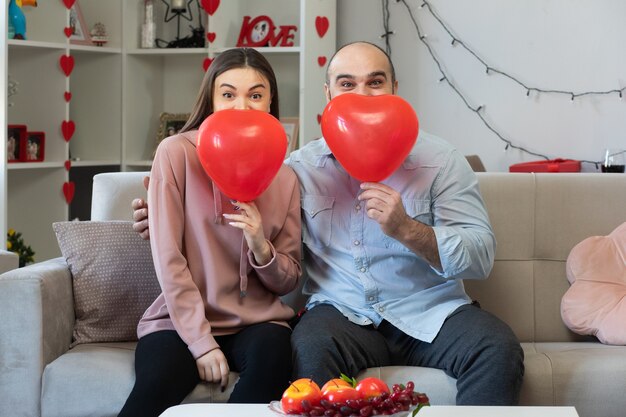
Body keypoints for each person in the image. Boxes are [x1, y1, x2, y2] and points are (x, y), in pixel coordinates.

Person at [132, 41, 524, 405]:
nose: (363, 95)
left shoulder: (441, 160)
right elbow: (241, 212)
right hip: (341, 312)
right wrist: (163, 213)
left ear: (394, 89)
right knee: (307, 349)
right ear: (329, 94)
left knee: (498, 348)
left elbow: (481, 256)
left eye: (375, 82)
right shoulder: (297, 168)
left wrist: (408, 229)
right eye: (347, 84)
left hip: (430, 311)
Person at [118, 48, 302, 417]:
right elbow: (169, 258)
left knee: (274, 363)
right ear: (212, 100)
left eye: (256, 95)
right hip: (176, 320)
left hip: (257, 322)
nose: (242, 107)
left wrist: (260, 247)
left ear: (270, 102)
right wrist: (201, 343)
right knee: (156, 384)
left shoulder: (284, 177)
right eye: (229, 94)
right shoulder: (175, 154)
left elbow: (289, 279)